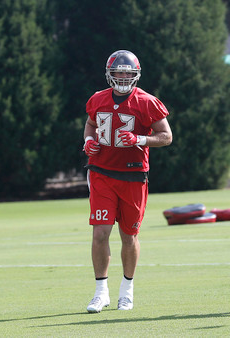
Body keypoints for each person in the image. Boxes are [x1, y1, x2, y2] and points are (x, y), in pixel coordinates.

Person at [82, 50, 172, 313]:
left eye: (127, 72)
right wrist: (88, 141)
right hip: (101, 173)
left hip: (133, 175)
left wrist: (140, 140)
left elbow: (166, 136)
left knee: (129, 235)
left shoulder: (147, 102)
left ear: (136, 75)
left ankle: (127, 291)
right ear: (109, 74)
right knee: (100, 232)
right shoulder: (97, 99)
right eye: (118, 72)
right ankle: (101, 293)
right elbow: (90, 124)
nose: (122, 77)